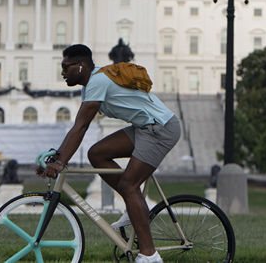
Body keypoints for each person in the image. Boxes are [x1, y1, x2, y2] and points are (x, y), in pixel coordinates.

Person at [38, 44, 180, 263]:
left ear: (81, 66)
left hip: (160, 129)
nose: (62, 73)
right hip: (145, 128)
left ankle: (150, 255)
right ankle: (135, 210)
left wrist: (60, 161)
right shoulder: (92, 84)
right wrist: (57, 157)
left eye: (66, 67)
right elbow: (79, 127)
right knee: (97, 154)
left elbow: (81, 127)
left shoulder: (97, 82)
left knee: (128, 185)